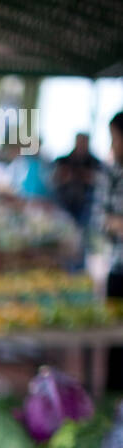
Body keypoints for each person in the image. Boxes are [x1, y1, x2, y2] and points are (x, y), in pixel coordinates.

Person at [92, 112, 123, 391]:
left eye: (115, 138)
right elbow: (101, 219)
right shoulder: (111, 174)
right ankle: (114, 400)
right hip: (118, 268)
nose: (113, 144)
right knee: (115, 342)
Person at [53, 134, 101, 227]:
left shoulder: (95, 163)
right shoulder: (62, 160)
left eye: (84, 142)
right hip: (64, 202)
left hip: (86, 206)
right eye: (80, 141)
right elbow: (55, 178)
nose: (82, 144)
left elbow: (97, 180)